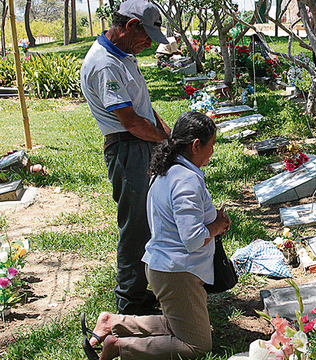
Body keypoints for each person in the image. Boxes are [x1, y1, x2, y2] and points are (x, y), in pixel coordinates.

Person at [81, 111, 232, 360]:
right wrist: (216, 226)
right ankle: (120, 347)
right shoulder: (187, 181)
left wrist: (211, 217)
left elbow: (178, 218)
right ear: (196, 146)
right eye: (211, 145)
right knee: (197, 346)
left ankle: (112, 323)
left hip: (163, 266)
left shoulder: (168, 171)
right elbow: (193, 239)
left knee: (176, 325)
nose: (212, 152)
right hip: (178, 272)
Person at [80, 0, 172, 316]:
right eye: (147, 36)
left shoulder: (123, 55)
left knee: (148, 220)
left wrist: (165, 132)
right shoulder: (106, 64)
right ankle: (130, 301)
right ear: (130, 26)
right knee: (135, 227)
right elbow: (130, 121)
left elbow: (141, 108)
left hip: (142, 142)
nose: (149, 44)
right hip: (128, 148)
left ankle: (140, 292)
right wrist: (167, 141)